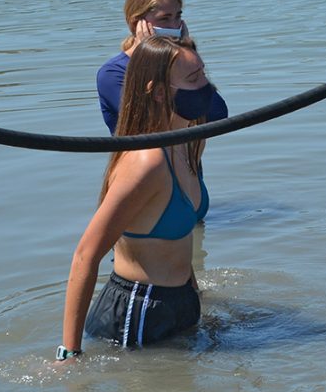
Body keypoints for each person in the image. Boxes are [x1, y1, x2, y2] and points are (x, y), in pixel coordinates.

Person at [59, 36, 213, 360]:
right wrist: (69, 354)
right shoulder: (146, 162)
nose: (206, 86)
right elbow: (86, 255)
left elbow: (181, 236)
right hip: (139, 312)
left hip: (182, 301)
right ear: (158, 93)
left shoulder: (189, 141)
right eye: (193, 79)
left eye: (204, 74)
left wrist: (196, 300)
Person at [98, 0, 227, 134]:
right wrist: (151, 57)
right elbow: (151, 125)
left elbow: (217, 115)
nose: (174, 26)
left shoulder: (183, 62)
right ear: (136, 24)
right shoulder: (112, 73)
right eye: (164, 19)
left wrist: (187, 53)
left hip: (182, 157)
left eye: (178, 17)